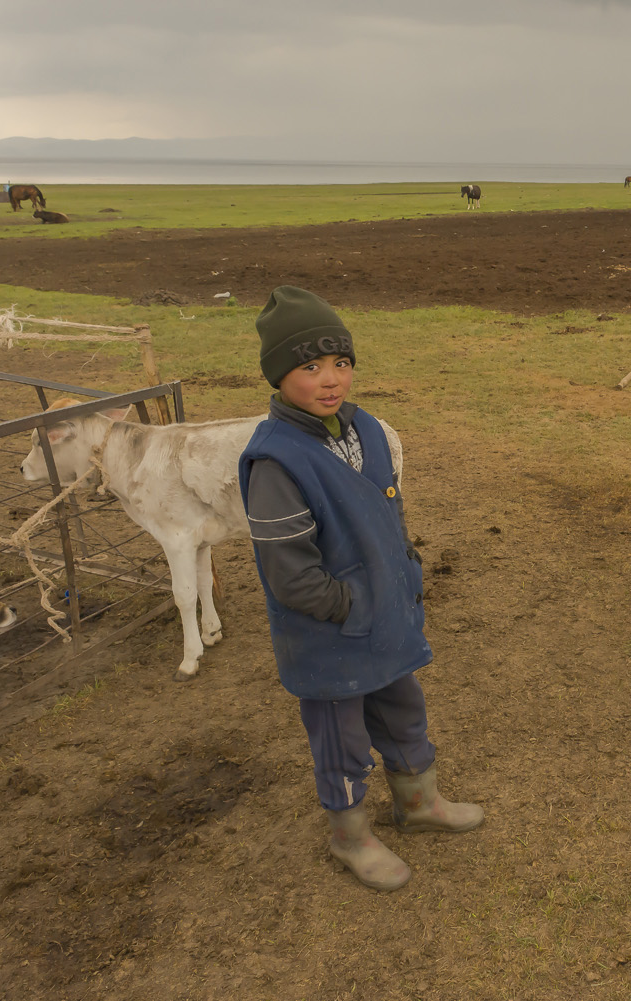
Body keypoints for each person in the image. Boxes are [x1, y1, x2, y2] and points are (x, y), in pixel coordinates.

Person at [239, 285, 482, 891]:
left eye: (341, 363)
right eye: (310, 366)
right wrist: (353, 606)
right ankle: (351, 836)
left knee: (403, 711)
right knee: (340, 734)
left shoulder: (366, 428)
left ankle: (417, 804)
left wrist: (406, 572)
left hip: (384, 619)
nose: (330, 380)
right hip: (329, 635)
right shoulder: (275, 462)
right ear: (278, 374)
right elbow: (291, 575)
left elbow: (385, 514)